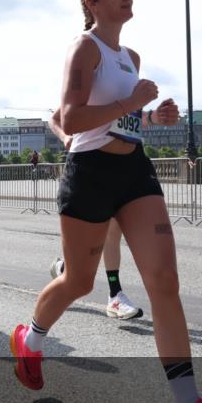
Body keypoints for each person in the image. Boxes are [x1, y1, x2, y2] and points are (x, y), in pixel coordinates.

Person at [10, 0, 202, 403]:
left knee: (164, 280)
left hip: (134, 173)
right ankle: (30, 340)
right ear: (92, 3)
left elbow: (123, 118)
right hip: (90, 175)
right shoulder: (85, 49)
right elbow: (72, 119)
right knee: (79, 280)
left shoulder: (129, 56)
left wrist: (151, 116)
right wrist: (131, 103)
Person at [47, 108, 142, 320]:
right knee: (88, 248)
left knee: (112, 233)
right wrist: (65, 137)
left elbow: (130, 120)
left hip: (120, 168)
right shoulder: (88, 84)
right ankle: (64, 269)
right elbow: (54, 118)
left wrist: (153, 116)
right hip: (87, 168)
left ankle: (115, 295)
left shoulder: (125, 84)